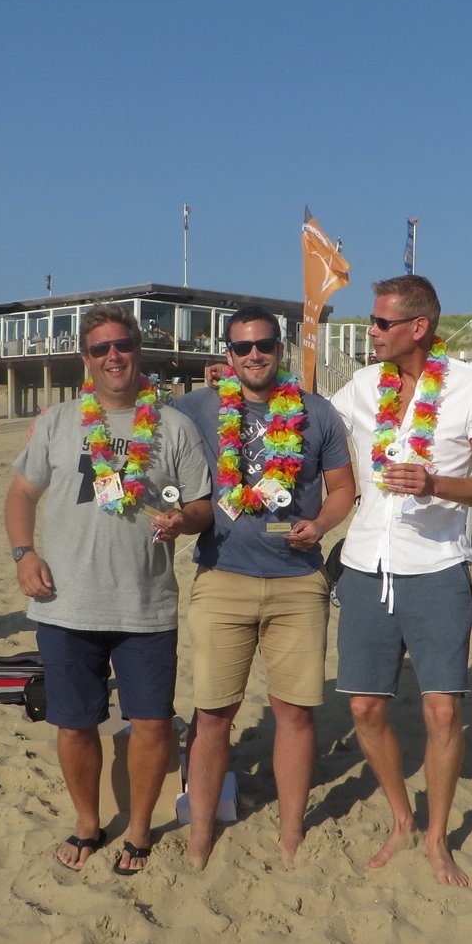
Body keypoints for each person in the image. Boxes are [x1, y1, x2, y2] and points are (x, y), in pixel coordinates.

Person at [4, 305, 212, 875]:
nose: (113, 356)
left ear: (138, 351)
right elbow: (21, 494)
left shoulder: (173, 426)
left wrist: (184, 520)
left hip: (145, 603)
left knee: (152, 723)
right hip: (65, 602)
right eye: (101, 349)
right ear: (86, 358)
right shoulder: (58, 421)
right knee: (74, 723)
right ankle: (87, 822)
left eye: (123, 345)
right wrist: (24, 554)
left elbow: (202, 504)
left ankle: (139, 829)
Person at [330, 275, 472, 887]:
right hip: (365, 565)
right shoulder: (361, 387)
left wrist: (435, 484)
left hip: (436, 567)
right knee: (364, 706)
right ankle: (402, 818)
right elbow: (305, 425)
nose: (371, 331)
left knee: (442, 713)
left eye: (382, 322)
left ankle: (437, 837)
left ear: (419, 327)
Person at [171, 306, 356, 868]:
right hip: (221, 578)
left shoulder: (316, 412)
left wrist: (320, 525)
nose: (254, 355)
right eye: (242, 347)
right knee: (212, 713)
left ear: (281, 348)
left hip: (298, 583)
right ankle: (201, 832)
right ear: (227, 354)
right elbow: (136, 423)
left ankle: (292, 831)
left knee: (294, 712)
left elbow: (343, 489)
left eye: (264, 345)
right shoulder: (196, 408)